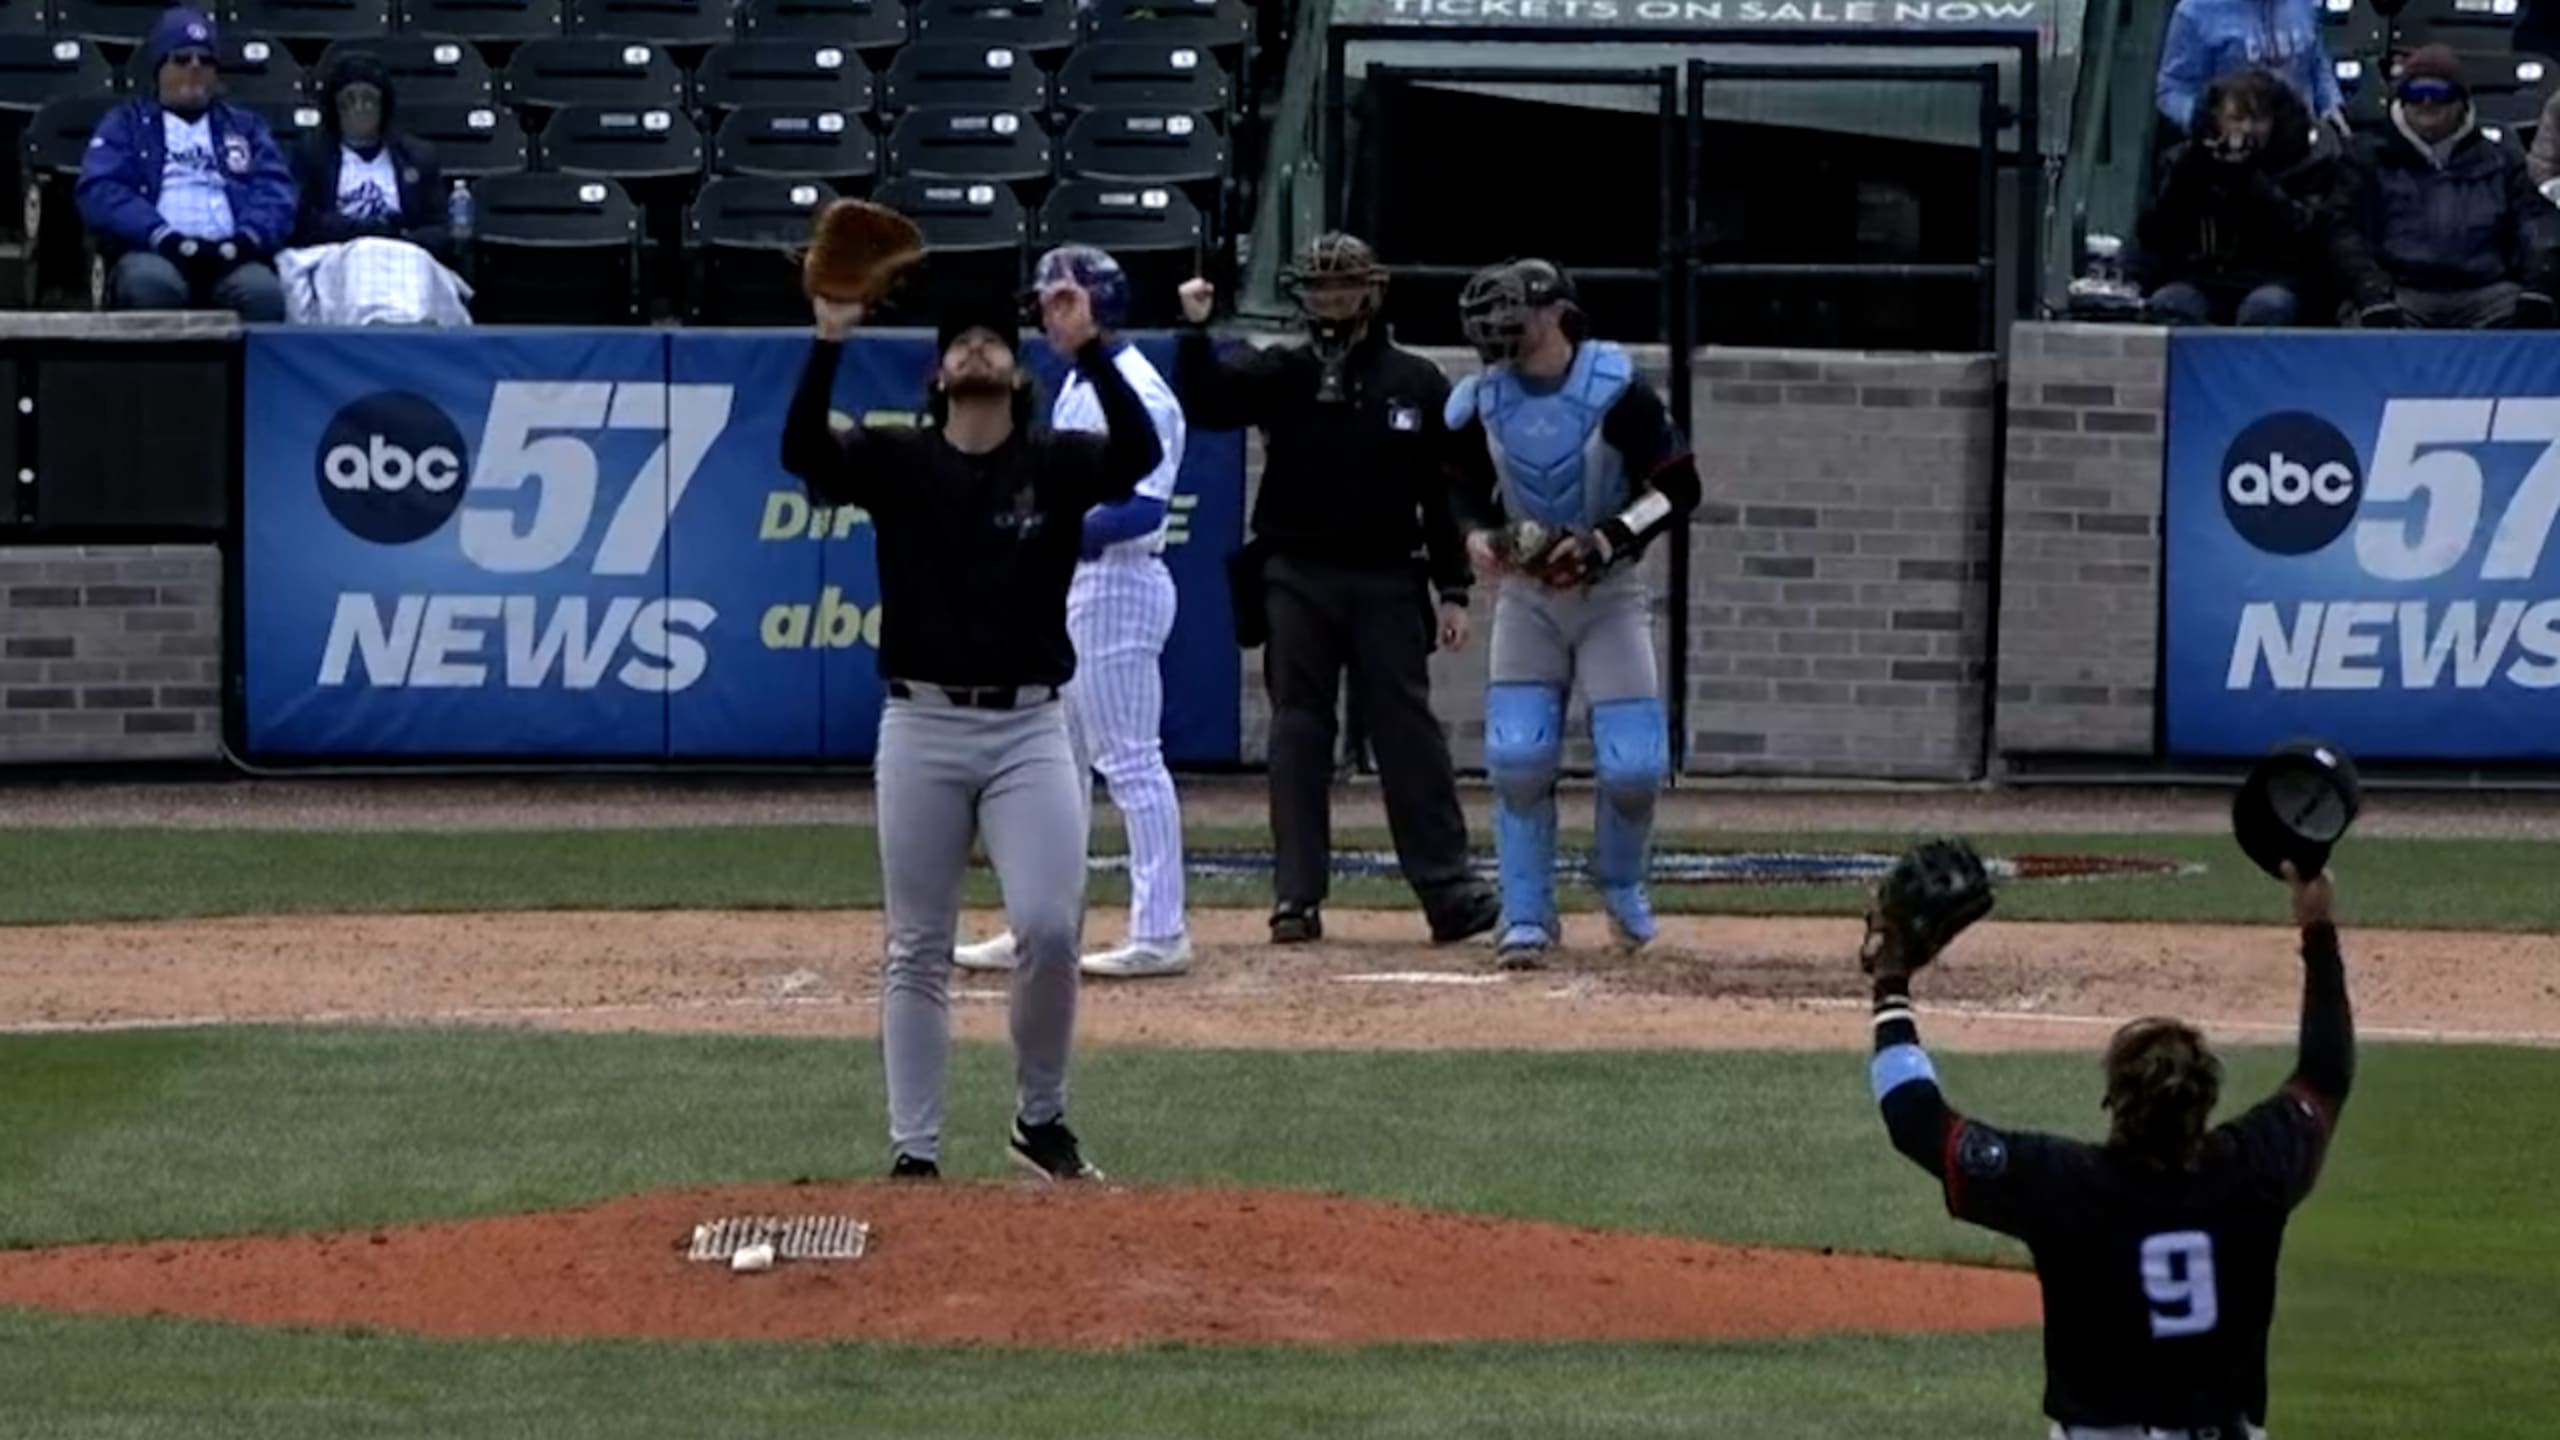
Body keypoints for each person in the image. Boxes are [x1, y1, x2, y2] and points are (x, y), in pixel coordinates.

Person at [778, 279, 1161, 1183]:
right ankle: (914, 1150)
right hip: (922, 721)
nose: (978, 348)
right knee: (917, 944)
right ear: (938, 373)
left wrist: (1090, 348)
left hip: (1030, 724)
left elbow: (1139, 456)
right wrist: (828, 340)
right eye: (961, 341)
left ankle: (1040, 1117)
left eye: (993, 338)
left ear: (1018, 373)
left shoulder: (1054, 460)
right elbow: (802, 450)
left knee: (1051, 930)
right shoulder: (897, 459)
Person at [1866, 858, 2353, 1439]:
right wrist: (2318, 928)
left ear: (2113, 1100)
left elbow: (1914, 1117)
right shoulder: (2255, 1170)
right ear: (2205, 1100)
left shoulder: (2062, 1186)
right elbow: (2326, 1074)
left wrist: (1891, 981)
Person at [1174, 233, 1500, 947]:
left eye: (1344, 286)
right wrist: (1196, 332)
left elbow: (1443, 494)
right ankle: (1296, 896)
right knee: (1298, 732)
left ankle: (1448, 890)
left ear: (1372, 293)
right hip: (1298, 573)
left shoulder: (1417, 381)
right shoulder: (1281, 371)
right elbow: (1207, 403)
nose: (1331, 300)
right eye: (1320, 288)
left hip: (1388, 575)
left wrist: (1453, 589)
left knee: (1407, 731)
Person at [1446, 258, 1699, 970]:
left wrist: (1606, 538)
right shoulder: (1481, 399)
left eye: (1514, 312)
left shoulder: (1614, 389)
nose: (1499, 328)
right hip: (1528, 598)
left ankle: (1619, 882)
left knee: (1634, 764)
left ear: (1557, 315)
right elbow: (1456, 488)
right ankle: (1526, 912)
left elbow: (1680, 487)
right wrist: (1474, 535)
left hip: (1608, 593)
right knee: (1518, 756)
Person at [955, 244, 1190, 981]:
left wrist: (1052, 531)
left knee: (1131, 761)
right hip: (1079, 586)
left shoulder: (1137, 388)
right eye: (1046, 303)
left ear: (1102, 304)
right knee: (1062, 770)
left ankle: (1160, 930)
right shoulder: (1079, 385)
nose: (1049, 316)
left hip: (1119, 582)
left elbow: (1143, 507)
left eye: (1065, 301)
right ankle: (1045, 924)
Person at [76, 7, 296, 321]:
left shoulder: (245, 127)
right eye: (181, 59)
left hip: (232, 256)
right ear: (159, 68)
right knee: (152, 286)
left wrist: (245, 240)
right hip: (155, 251)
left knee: (263, 293)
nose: (195, 67)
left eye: (205, 61)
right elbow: (100, 189)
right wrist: (161, 236)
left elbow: (276, 192)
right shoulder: (126, 124)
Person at [2338, 45, 2560, 330]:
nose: (2427, 102)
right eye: (2415, 93)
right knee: (2361, 325)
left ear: (2462, 102)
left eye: (2439, 93)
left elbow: (2536, 225)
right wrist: (2370, 291)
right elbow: (2345, 233)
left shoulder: (2501, 160)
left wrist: (2539, 286)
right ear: (2401, 100)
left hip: (2486, 292)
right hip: (2398, 291)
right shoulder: (2366, 158)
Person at [2137, 66, 2352, 327]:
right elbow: (2153, 233)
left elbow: (2310, 232)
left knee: (2266, 308)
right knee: (2170, 304)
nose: (2247, 129)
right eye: (2237, 119)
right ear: (2217, 119)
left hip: (2274, 279)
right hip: (2200, 278)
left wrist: (2255, 183)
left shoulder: (2306, 164)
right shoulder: (2183, 161)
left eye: (2258, 120)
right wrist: (2188, 174)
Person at [279, 50, 471, 326]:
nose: (360, 108)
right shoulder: (313, 155)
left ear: (384, 106)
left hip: (405, 252)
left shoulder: (417, 156)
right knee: (361, 267)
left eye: (369, 99)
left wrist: (398, 237)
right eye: (349, 100)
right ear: (334, 107)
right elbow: (302, 222)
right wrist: (361, 232)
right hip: (341, 255)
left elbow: (440, 229)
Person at [2155, 0, 2346, 138]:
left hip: (2302, 148)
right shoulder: (2196, 11)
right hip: (2234, 159)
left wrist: (2330, 105)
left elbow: (2317, 62)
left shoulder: (2304, 4)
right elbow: (2172, 90)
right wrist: (2208, 125)